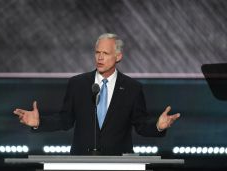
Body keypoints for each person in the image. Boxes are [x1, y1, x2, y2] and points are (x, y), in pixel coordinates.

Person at [14, 33, 180, 155]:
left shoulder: (132, 87)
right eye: (97, 52)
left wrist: (158, 126)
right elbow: (65, 120)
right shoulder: (77, 84)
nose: (99, 58)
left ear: (118, 56)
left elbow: (141, 124)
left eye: (105, 53)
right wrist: (39, 122)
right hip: (82, 161)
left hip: (119, 163)